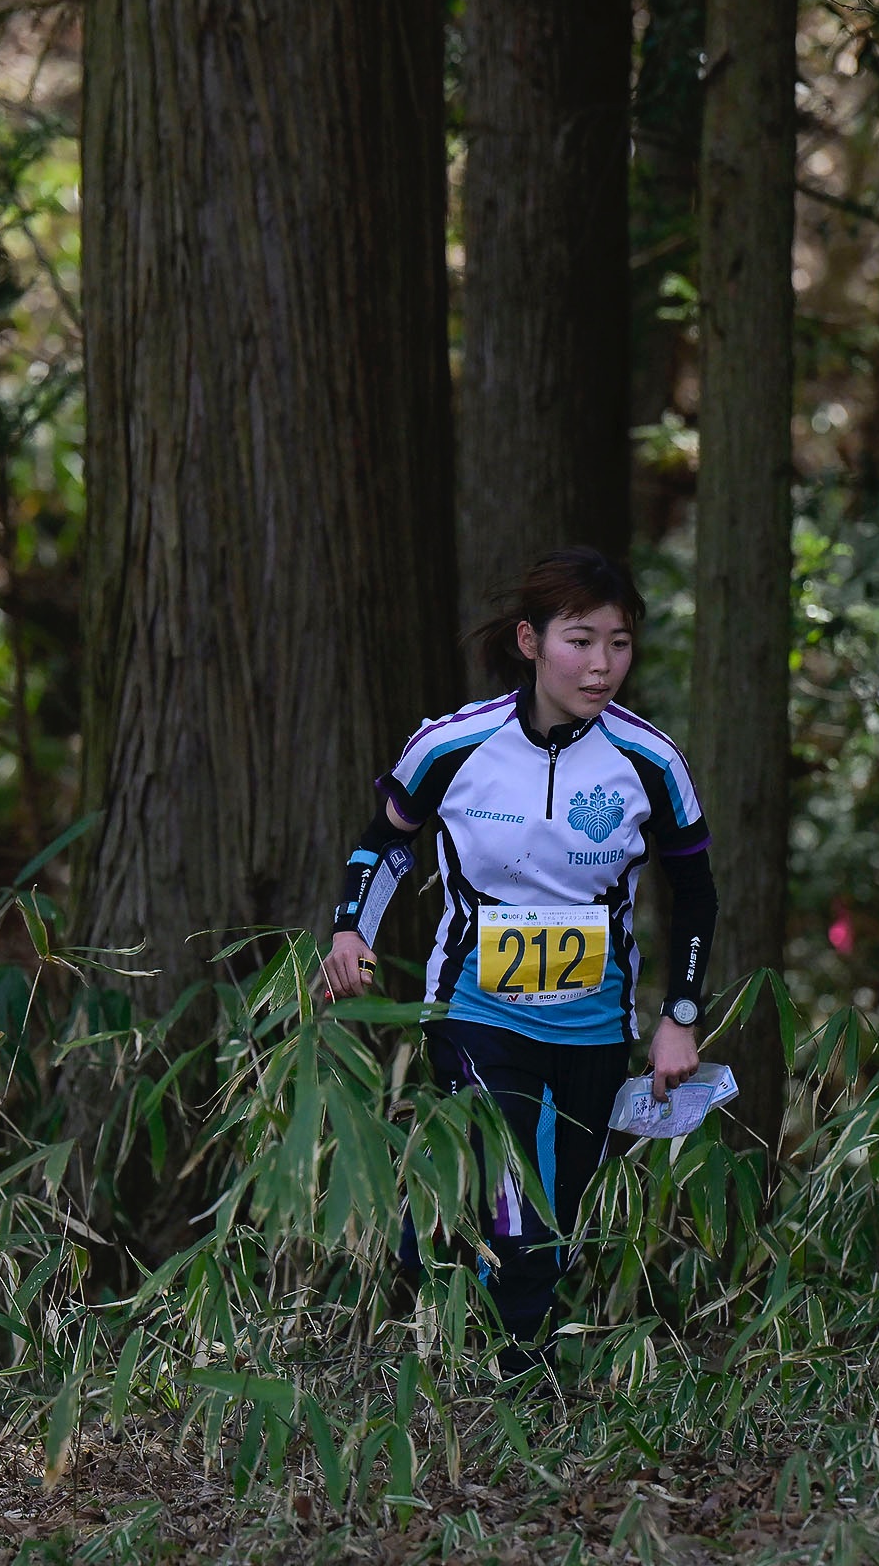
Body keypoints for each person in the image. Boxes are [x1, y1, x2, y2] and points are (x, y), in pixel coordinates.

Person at [322, 546, 716, 1364]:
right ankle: (512, 1378)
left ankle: (433, 1251)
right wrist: (351, 928)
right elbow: (386, 842)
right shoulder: (452, 744)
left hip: (593, 1025)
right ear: (530, 642)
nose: (602, 665)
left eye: (619, 643)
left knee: (558, 1212)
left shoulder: (651, 760)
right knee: (516, 1201)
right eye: (581, 641)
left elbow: (696, 894)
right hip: (476, 1009)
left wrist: (680, 1015)